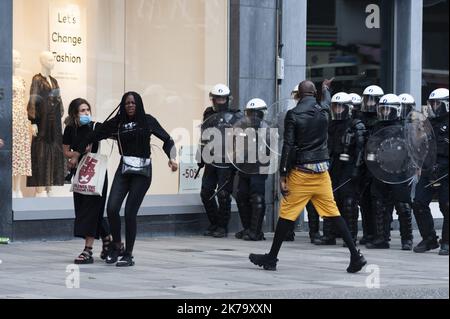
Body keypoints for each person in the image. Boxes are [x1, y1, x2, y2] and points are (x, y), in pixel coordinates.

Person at [249, 79, 367, 273]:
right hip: (322, 173)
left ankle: (271, 258)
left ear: (298, 95)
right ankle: (356, 255)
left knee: (286, 214)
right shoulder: (323, 111)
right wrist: (326, 89)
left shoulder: (293, 114)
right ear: (314, 94)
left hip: (302, 173)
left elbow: (288, 145)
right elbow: (327, 101)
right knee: (333, 213)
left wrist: (283, 173)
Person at [71, 92, 178, 267]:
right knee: (112, 208)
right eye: (127, 103)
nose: (130, 105)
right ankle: (116, 247)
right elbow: (94, 135)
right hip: (124, 169)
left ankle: (128, 254)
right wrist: (77, 152)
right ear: (122, 104)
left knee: (129, 213)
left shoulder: (147, 120)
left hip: (142, 172)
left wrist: (173, 158)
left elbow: (168, 139)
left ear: (139, 104)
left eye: (133, 103)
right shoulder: (118, 122)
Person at [63, 98, 114, 264]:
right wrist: (75, 155)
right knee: (86, 210)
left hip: (96, 173)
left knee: (92, 210)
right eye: (82, 111)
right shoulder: (71, 129)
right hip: (80, 174)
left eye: (87, 110)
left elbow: (111, 132)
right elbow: (65, 150)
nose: (86, 113)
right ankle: (108, 239)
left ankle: (88, 250)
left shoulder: (95, 127)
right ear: (75, 113)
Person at [365, 94, 414, 250]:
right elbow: (371, 148)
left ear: (396, 110)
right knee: (379, 206)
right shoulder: (377, 127)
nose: (384, 113)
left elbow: (412, 152)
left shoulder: (404, 127)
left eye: (388, 110)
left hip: (399, 173)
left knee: (403, 206)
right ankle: (381, 238)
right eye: (382, 109)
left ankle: (407, 239)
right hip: (380, 172)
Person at [321, 92, 366, 246]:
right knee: (330, 200)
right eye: (335, 106)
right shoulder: (330, 125)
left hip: (349, 166)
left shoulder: (356, 125)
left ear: (348, 108)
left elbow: (361, 150)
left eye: (341, 106)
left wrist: (356, 170)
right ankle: (329, 235)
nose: (338, 109)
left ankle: (351, 237)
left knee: (349, 202)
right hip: (333, 166)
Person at [198, 84, 241, 238]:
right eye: (217, 98)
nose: (220, 101)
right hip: (210, 159)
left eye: (222, 98)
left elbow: (241, 140)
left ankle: (222, 227)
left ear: (228, 99)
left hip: (227, 161)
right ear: (213, 99)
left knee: (223, 194)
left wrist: (237, 161)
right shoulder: (208, 113)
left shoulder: (236, 116)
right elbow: (203, 135)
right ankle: (214, 222)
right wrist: (200, 157)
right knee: (205, 192)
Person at [413, 88, 449, 256]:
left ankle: (447, 241)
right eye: (432, 103)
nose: (434, 106)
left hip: (446, 171)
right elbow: (421, 146)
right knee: (419, 203)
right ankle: (429, 239)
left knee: (447, 206)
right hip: (428, 169)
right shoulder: (427, 123)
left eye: (437, 103)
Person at [27, 51, 65, 197]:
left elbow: (58, 100)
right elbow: (33, 100)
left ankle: (50, 186)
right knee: (40, 153)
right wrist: (33, 121)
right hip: (42, 122)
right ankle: (40, 189)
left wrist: (59, 118)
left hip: (54, 123)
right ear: (42, 61)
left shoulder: (54, 81)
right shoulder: (37, 79)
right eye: (50, 59)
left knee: (53, 153)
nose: (53, 61)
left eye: (53, 58)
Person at [234, 98, 269, 241]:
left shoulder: (267, 129)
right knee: (241, 196)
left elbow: (270, 150)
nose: (253, 117)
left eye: (256, 113)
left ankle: (256, 231)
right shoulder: (241, 128)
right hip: (244, 167)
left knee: (257, 198)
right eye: (250, 113)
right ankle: (247, 228)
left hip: (259, 168)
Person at [358, 85, 384, 245]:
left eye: (373, 100)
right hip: (363, 164)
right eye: (367, 99)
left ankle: (377, 234)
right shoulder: (360, 117)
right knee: (364, 200)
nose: (370, 103)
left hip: (377, 165)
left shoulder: (382, 119)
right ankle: (368, 232)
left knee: (377, 201)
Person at [12, 49, 32, 198]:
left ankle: (17, 188)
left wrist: (28, 120)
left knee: (20, 153)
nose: (18, 60)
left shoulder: (21, 80)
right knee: (10, 154)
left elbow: (25, 101)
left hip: (21, 118)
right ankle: (9, 189)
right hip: (9, 117)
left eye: (19, 57)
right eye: (15, 57)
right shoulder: (3, 79)